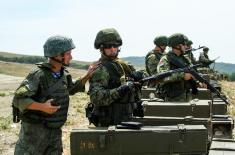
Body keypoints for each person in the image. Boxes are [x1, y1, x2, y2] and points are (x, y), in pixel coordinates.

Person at [12, 35, 97, 155]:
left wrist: (87, 76)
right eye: (68, 53)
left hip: (54, 132)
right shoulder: (38, 74)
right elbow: (18, 100)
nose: (71, 57)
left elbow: (71, 88)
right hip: (34, 134)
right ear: (57, 55)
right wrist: (42, 107)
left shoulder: (62, 74)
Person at [88, 28, 143, 127]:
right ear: (102, 48)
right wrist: (120, 91)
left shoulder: (124, 65)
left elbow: (145, 78)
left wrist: (140, 77)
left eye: (115, 45)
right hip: (109, 122)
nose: (113, 49)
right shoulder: (101, 69)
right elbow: (96, 97)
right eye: (108, 46)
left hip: (127, 117)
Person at [157, 33, 197, 102]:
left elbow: (192, 72)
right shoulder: (166, 59)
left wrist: (198, 81)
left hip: (187, 96)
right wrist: (182, 75)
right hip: (172, 99)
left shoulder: (185, 59)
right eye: (184, 44)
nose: (186, 47)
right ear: (177, 46)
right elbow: (162, 77)